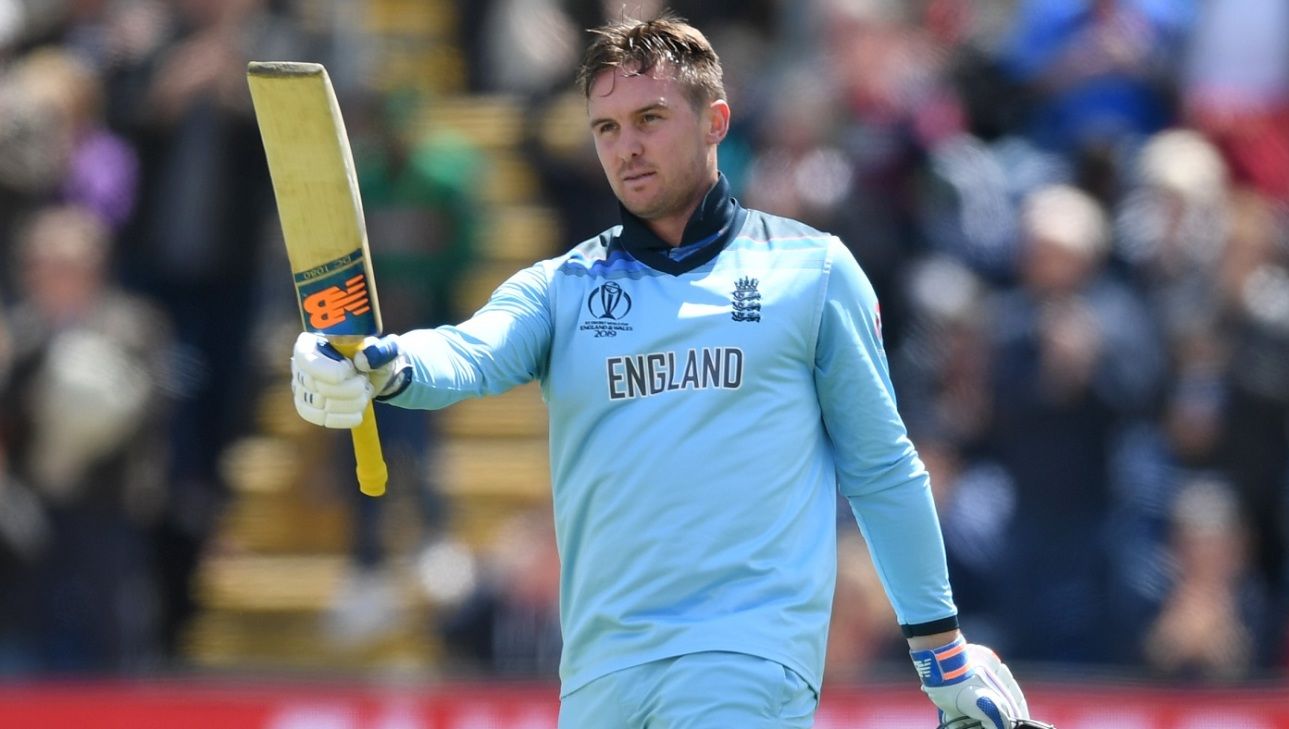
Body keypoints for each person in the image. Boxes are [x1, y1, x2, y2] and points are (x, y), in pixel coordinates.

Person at [290, 13, 1036, 729]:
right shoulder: (561, 286)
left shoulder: (813, 271)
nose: (627, 148)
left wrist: (942, 654)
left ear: (715, 122)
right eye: (607, 129)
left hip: (744, 662)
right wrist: (382, 363)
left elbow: (881, 469)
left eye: (650, 119)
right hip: (599, 674)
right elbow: (469, 352)